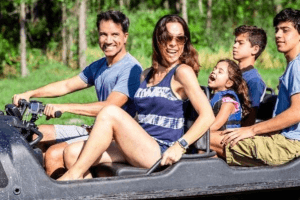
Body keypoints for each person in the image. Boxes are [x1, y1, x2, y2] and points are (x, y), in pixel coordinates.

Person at [57, 14, 215, 181]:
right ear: (157, 39)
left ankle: (71, 177)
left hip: (161, 151)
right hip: (139, 145)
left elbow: (207, 116)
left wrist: (180, 145)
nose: (173, 44)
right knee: (71, 153)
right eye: (167, 37)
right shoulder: (146, 74)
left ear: (185, 42)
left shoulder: (182, 72)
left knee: (110, 111)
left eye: (180, 38)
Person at [13, 10, 143, 178]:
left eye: (114, 34)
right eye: (103, 34)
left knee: (54, 154)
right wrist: (30, 93)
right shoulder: (100, 66)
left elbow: (109, 107)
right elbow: (67, 85)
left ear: (125, 37)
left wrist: (66, 107)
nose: (108, 40)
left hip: (115, 138)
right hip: (96, 129)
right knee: (38, 134)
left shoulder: (131, 69)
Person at [211, 8, 300, 166]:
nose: (278, 35)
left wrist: (252, 130)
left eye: (285, 30)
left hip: (289, 145)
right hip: (281, 139)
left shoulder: (297, 66)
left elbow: (297, 111)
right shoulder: (293, 65)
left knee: (203, 137)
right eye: (277, 30)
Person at [232, 25, 267, 126]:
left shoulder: (254, 80)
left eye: (240, 43)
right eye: (235, 42)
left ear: (255, 49)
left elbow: (250, 117)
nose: (234, 46)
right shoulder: (229, 73)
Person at [208, 59, 251, 133]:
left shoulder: (228, 103)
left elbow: (215, 126)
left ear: (229, 83)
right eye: (215, 68)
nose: (214, 72)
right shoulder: (209, 95)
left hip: (225, 140)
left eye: (220, 72)